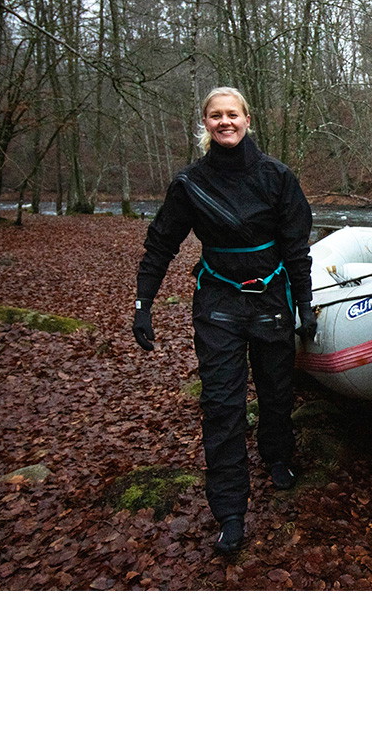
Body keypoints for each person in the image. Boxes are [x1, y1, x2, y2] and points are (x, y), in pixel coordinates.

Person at [132, 87, 317, 555]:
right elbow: (161, 243)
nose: (225, 122)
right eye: (216, 116)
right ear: (206, 123)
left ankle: (277, 455)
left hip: (271, 296)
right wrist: (143, 303)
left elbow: (297, 247)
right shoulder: (189, 183)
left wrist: (306, 304)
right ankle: (230, 512)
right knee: (221, 405)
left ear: (247, 119)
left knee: (276, 390)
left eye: (232, 114)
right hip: (218, 302)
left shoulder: (277, 177)